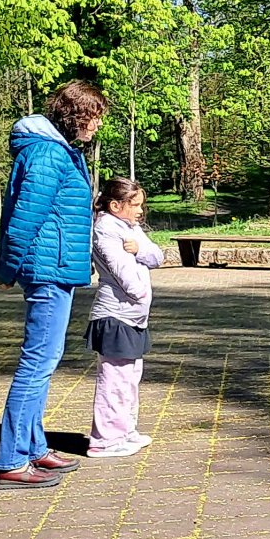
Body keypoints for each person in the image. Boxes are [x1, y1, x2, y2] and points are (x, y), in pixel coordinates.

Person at [0, 80, 110, 490]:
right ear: (75, 115)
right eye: (94, 116)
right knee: (37, 362)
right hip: (47, 270)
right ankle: (10, 460)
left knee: (46, 358)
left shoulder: (58, 151)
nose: (97, 125)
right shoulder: (48, 153)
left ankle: (34, 446)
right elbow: (24, 218)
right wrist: (6, 270)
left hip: (56, 267)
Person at [85, 178, 163, 458]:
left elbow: (157, 257)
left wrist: (140, 249)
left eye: (141, 205)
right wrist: (139, 293)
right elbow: (120, 270)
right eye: (135, 205)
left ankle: (125, 431)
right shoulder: (105, 228)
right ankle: (104, 440)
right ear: (115, 205)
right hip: (115, 315)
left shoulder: (130, 227)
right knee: (114, 380)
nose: (140, 211)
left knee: (130, 378)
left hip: (134, 317)